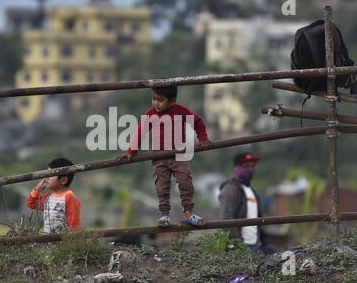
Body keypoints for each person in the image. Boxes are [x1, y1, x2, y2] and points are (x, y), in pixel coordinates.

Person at [116, 86, 213, 227]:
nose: (156, 103)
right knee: (162, 186)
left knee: (185, 181)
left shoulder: (181, 111)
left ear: (172, 101)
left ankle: (188, 212)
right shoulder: (151, 113)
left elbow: (197, 122)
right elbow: (141, 131)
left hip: (178, 154)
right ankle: (164, 215)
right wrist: (131, 151)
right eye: (154, 99)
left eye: (160, 100)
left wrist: (203, 138)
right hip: (159, 157)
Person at [218, 153, 273, 254]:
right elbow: (226, 219)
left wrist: (265, 243)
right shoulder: (231, 189)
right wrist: (239, 245)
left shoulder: (252, 191)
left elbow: (258, 219)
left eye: (252, 166)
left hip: (255, 245)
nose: (250, 169)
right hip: (240, 248)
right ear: (237, 168)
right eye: (246, 166)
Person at [27, 157, 81, 233]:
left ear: (63, 180)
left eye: (51, 174)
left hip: (62, 243)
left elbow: (74, 227)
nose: (46, 178)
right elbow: (31, 203)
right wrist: (37, 189)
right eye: (47, 174)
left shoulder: (70, 198)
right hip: (47, 243)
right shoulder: (48, 197)